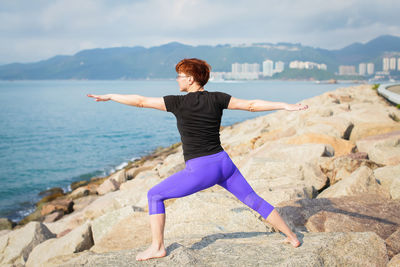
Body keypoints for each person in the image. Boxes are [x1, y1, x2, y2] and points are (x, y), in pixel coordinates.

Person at [87, 58, 307, 261]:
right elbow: (251, 105)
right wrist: (285, 105)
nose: (177, 80)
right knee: (253, 199)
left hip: (201, 169)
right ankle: (291, 236)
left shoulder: (177, 103)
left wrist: (111, 96)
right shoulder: (218, 98)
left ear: (190, 79)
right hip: (223, 164)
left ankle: (157, 247)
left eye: (180, 76)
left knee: (154, 195)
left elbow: (141, 101)